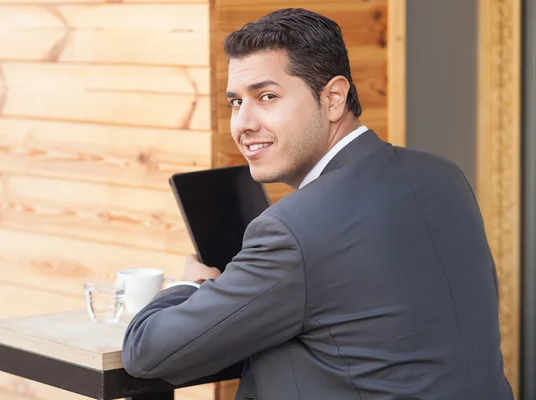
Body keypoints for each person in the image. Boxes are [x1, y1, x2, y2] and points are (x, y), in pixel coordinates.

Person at [122, 8, 514, 399]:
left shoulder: (293, 231)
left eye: (267, 96)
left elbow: (147, 352)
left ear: (333, 98)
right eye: (236, 103)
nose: (243, 123)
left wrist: (192, 283)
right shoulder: (444, 176)